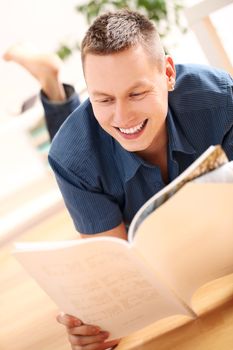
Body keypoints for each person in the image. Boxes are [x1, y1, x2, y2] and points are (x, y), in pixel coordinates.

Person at [4, 9, 233, 350]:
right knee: (81, 142)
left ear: (168, 74)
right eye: (104, 98)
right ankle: (53, 87)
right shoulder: (71, 159)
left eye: (136, 94)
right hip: (83, 153)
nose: (123, 114)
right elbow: (127, 281)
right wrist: (102, 326)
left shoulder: (221, 100)